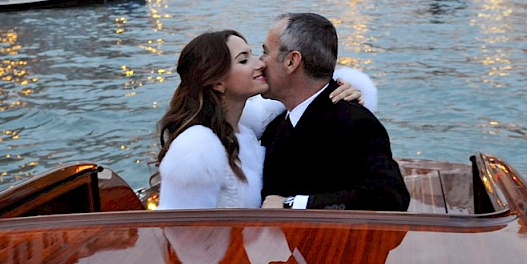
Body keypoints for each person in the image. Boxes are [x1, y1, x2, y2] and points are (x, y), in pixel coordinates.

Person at [156, 30, 370, 210]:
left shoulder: (248, 133)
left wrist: (336, 93)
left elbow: (304, 104)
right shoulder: (196, 149)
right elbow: (184, 238)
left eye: (254, 54)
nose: (259, 63)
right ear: (218, 83)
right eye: (244, 60)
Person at [259, 13, 409, 211]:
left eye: (265, 53)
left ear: (291, 61)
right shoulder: (275, 125)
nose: (259, 62)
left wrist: (293, 204)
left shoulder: (356, 124)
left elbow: (390, 197)